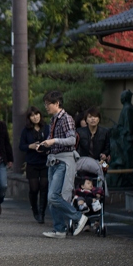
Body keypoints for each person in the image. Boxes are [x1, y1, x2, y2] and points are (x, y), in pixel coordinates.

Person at [34, 91, 89, 239]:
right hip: (53, 160)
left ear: (57, 103)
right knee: (52, 197)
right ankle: (59, 229)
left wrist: (54, 141)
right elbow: (51, 139)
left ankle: (79, 217)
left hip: (63, 161)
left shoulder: (67, 119)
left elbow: (71, 140)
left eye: (48, 104)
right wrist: (43, 145)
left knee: (53, 196)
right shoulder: (53, 120)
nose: (46, 107)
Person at [18, 107, 49, 223]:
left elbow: (52, 142)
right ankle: (35, 210)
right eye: (32, 115)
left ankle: (42, 213)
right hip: (32, 162)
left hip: (45, 161)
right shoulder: (26, 131)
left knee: (44, 186)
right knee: (34, 188)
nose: (35, 117)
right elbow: (21, 146)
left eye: (37, 114)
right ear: (29, 118)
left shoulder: (47, 128)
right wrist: (30, 146)